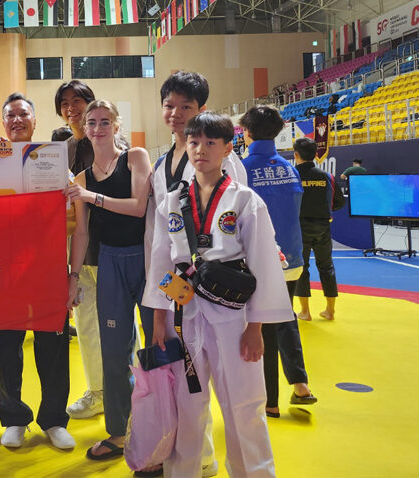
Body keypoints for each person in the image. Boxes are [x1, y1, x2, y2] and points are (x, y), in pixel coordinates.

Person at [145, 112, 290, 477]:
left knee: (244, 404)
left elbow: (262, 264)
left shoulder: (245, 201)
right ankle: (184, 472)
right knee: (187, 404)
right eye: (194, 142)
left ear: (228, 148)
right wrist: (159, 319)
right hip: (185, 314)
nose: (201, 149)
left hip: (233, 317)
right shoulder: (172, 202)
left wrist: (256, 327)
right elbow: (162, 261)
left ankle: (254, 472)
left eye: (211, 142)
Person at [146, 71, 246, 477]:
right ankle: (194, 458)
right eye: (170, 105)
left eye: (185, 106)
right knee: (186, 384)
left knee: (226, 388)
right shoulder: (160, 164)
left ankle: (210, 460)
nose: (175, 113)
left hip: (219, 292)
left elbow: (235, 227)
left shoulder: (224, 160)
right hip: (178, 291)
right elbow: (159, 242)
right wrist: (161, 302)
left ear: (201, 109)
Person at [64, 100, 153, 461]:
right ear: (84, 128)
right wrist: (72, 277)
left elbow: (138, 206)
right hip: (109, 264)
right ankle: (119, 431)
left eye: (104, 121)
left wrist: (90, 196)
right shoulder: (82, 177)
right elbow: (81, 234)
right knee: (114, 353)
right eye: (91, 123)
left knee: (159, 347)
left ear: (117, 125)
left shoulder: (136, 158)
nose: (98, 128)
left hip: (146, 259)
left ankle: (166, 422)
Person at [0, 93, 74, 450]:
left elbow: (71, 212)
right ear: (4, 122)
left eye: (24, 114)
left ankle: (54, 418)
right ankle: (14, 417)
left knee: (53, 343)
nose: (17, 120)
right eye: (11, 115)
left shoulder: (55, 161)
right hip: (4, 268)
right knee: (8, 344)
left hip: (49, 265)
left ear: (35, 121)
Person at [239, 106, 317, 419]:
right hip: (294, 258)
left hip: (262, 260)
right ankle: (299, 384)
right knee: (284, 318)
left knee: (263, 330)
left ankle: (269, 401)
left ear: (246, 132)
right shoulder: (289, 168)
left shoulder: (243, 169)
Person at [52, 80, 111, 419]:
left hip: (112, 248)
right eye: (65, 103)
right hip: (79, 249)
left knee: (118, 325)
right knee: (87, 323)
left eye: (78, 101)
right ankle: (98, 391)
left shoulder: (109, 144)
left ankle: (125, 386)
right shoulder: (66, 150)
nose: (72, 107)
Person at [293, 137, 346, 321]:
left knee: (302, 268)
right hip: (323, 226)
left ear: (295, 155)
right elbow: (339, 202)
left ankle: (305, 312)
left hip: (298, 227)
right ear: (316, 155)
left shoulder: (292, 176)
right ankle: (330, 311)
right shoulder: (328, 177)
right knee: (326, 266)